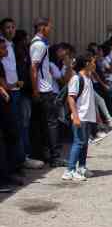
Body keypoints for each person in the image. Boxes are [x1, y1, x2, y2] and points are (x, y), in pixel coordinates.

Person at [1, 18, 44, 170]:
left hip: (17, 90)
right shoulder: (3, 45)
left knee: (20, 125)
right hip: (7, 91)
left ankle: (22, 158)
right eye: (7, 27)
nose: (11, 30)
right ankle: (18, 160)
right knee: (14, 127)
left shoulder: (13, 46)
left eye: (13, 27)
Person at [30, 17, 66, 167]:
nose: (50, 29)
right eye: (49, 26)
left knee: (43, 124)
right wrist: (35, 90)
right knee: (52, 123)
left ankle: (43, 154)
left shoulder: (40, 44)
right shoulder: (39, 45)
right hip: (44, 90)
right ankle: (54, 156)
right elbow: (34, 68)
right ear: (42, 27)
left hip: (43, 88)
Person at [63, 54, 98, 182]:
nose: (95, 65)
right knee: (78, 143)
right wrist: (76, 116)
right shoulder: (76, 79)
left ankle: (81, 167)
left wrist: (96, 116)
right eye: (93, 62)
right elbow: (71, 98)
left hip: (88, 117)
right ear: (87, 63)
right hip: (80, 116)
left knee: (84, 143)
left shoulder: (88, 78)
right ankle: (69, 171)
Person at [0, 39, 24, 190]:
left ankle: (8, 173)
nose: (6, 50)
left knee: (11, 138)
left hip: (5, 106)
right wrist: (9, 87)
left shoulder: (1, 64)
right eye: (3, 48)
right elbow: (4, 85)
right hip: (3, 107)